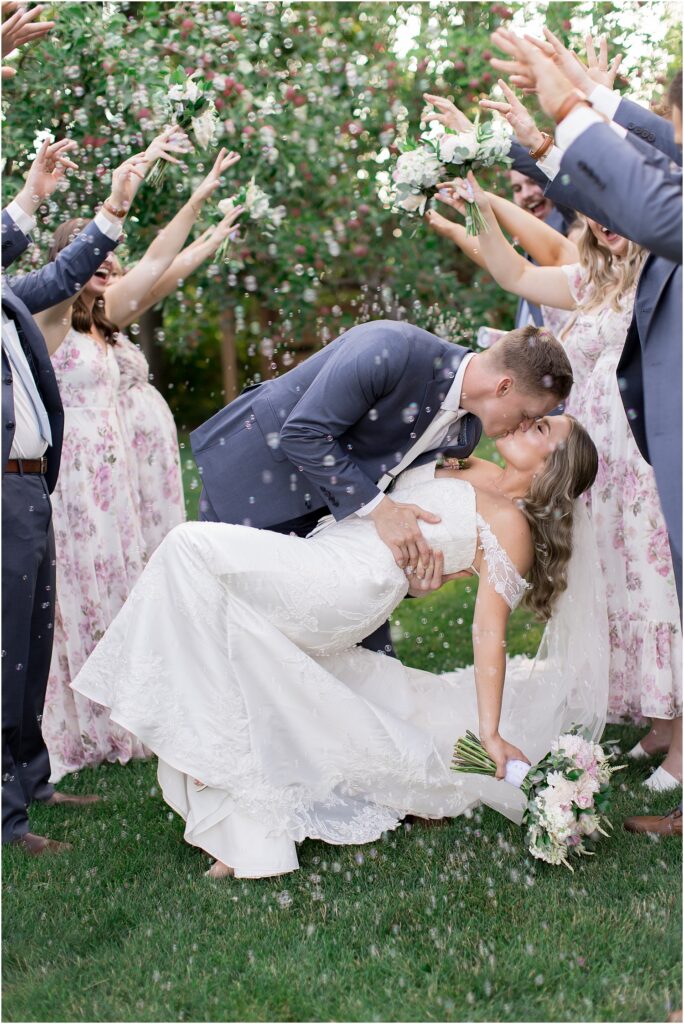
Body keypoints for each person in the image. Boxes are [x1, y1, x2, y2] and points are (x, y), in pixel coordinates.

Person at [71, 413, 602, 879]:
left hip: (343, 583)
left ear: (555, 466)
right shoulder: (476, 467)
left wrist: (489, 732)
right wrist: (421, 582)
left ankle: (174, 720)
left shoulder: (512, 527)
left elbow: (489, 629)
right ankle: (246, 831)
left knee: (187, 547)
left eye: (541, 428)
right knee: (234, 635)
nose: (526, 420)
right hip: (334, 548)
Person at [435, 171, 682, 790]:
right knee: (623, 591)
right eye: (596, 213)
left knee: (662, 596)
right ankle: (663, 721)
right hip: (600, 472)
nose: (605, 223)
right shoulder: (596, 280)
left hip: (646, 463)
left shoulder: (666, 276)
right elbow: (514, 274)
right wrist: (477, 208)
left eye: (617, 209)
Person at [490, 31, 683, 791]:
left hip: (646, 448)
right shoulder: (606, 265)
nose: (669, 139)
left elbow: (649, 192)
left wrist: (569, 111)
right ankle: (665, 724)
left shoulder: (645, 247)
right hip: (631, 441)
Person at [191, 320, 573, 655]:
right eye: (528, 415)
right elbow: (303, 434)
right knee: (229, 639)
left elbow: (400, 492)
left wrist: (411, 585)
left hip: (331, 529)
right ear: (504, 386)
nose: (524, 426)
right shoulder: (391, 349)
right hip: (256, 485)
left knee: (364, 667)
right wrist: (382, 511)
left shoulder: (466, 432)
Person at [38, 132, 223, 780]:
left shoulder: (104, 316)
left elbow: (157, 266)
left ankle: (132, 710)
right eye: (91, 257)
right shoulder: (51, 319)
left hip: (116, 481)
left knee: (121, 588)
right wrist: (121, 201)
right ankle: (92, 724)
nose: (106, 267)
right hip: (79, 484)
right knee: (86, 593)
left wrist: (198, 204)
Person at [2, 140, 140, 853]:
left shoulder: (8, 298)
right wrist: (26, 199)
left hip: (31, 487)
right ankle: (7, 820)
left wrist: (113, 208)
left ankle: (34, 780)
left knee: (30, 637)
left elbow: (62, 274)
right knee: (5, 648)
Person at [107, 181, 244, 554]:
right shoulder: (91, 316)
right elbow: (154, 265)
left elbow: (161, 281)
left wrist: (212, 239)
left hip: (149, 452)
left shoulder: (108, 323)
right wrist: (197, 202)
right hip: (121, 448)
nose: (117, 277)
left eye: (120, 271)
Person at [423, 91, 576, 331]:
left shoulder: (579, 229)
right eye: (516, 188)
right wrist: (453, 228)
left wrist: (477, 140)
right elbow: (504, 265)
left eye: (531, 184)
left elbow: (553, 176)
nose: (526, 194)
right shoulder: (525, 251)